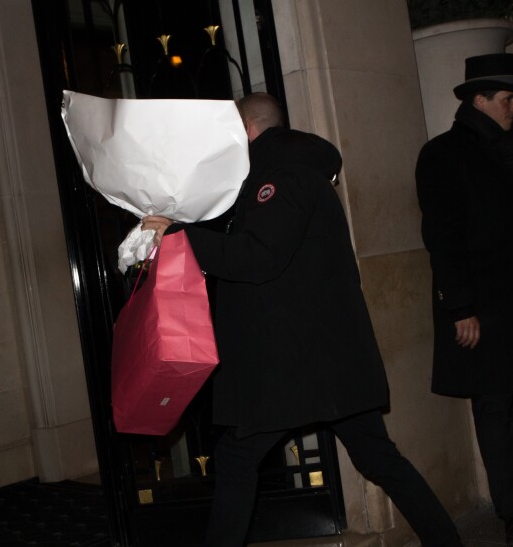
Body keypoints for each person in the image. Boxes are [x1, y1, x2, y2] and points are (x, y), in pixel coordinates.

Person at [144, 93, 462, 547]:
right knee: (378, 458)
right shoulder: (288, 177)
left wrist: (180, 236)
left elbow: (259, 258)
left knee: (238, 459)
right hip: (322, 362)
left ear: (247, 128)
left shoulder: (280, 180)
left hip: (296, 365)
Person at [415, 53, 513, 546]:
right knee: (496, 409)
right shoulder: (442, 155)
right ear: (480, 100)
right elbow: (443, 235)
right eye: (507, 99)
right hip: (484, 307)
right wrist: (460, 307)